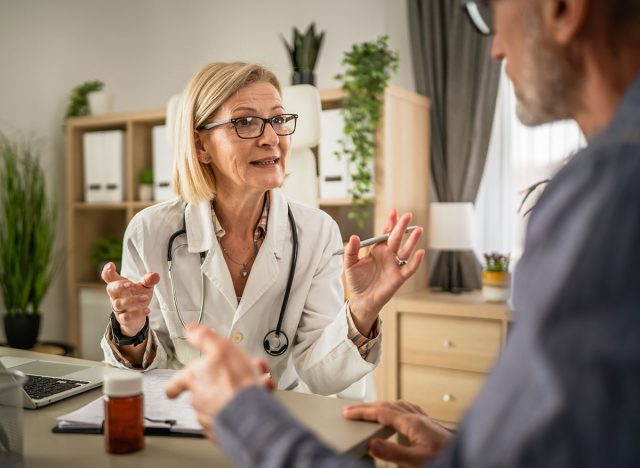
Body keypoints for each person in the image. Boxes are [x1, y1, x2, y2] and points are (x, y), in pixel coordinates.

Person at [165, 0, 640, 466]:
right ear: (200, 145)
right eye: (246, 123)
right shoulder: (607, 183)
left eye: (492, 11)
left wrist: (245, 415)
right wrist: (462, 450)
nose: (494, 49)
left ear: (563, 8)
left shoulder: (611, 192)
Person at [99, 61, 425, 398]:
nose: (271, 138)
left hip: (277, 415)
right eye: (245, 122)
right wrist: (131, 329)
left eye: (278, 120)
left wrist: (363, 309)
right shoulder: (150, 232)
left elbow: (322, 376)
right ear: (200, 146)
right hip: (189, 417)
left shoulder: (317, 233)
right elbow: (150, 372)